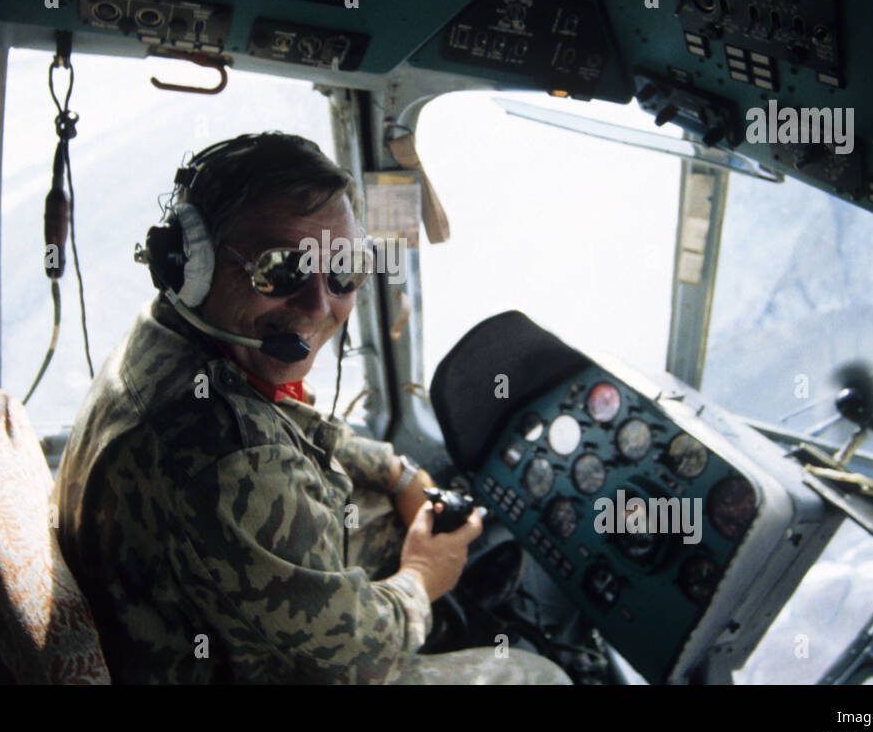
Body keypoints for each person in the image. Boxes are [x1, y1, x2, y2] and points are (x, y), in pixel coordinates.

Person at [53, 132, 569, 684]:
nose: (320, 306)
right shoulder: (235, 459)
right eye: (279, 269)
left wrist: (397, 473)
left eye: (343, 268)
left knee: (373, 508)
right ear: (189, 265)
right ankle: (442, 618)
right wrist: (422, 578)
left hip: (174, 599)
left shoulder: (168, 336)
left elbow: (292, 425)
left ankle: (443, 616)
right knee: (536, 674)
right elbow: (360, 658)